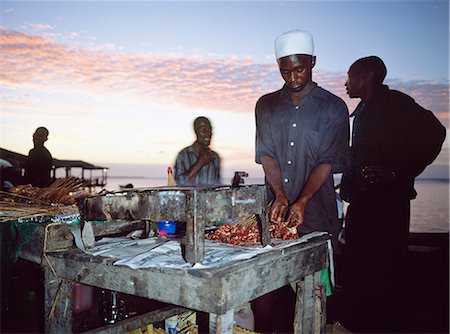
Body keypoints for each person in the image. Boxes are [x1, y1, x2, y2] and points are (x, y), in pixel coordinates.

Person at [253, 29, 350, 333]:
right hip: (276, 215)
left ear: (313, 62)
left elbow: (327, 161)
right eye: (285, 70)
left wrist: (302, 200)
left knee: (314, 297)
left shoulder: (333, 107)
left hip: (318, 216)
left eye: (299, 68)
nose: (292, 77)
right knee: (268, 290)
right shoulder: (266, 105)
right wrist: (281, 196)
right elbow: (267, 155)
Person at [340, 56, 446, 333]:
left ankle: (383, 325)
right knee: (358, 266)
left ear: (366, 76)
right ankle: (359, 324)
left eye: (350, 76)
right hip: (363, 202)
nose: (346, 83)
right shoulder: (365, 109)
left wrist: (399, 172)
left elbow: (436, 131)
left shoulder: (396, 103)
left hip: (386, 205)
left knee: (384, 270)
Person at [173, 116, 221, 185]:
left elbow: (217, 186)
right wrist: (200, 163)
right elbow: (180, 184)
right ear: (196, 132)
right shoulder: (183, 155)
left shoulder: (215, 157)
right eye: (203, 130)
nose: (208, 133)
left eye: (210, 130)